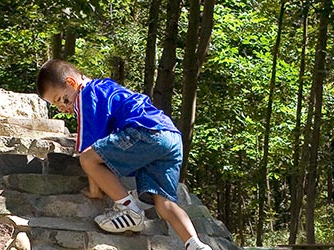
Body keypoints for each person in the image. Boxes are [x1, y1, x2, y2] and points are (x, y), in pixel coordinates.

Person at [36, 59, 212, 250]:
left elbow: (89, 149)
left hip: (145, 132)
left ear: (71, 83)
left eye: (62, 99)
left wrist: (95, 191)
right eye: (56, 105)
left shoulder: (86, 95)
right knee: (165, 204)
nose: (62, 107)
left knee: (87, 159)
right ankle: (196, 244)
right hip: (170, 136)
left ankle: (129, 209)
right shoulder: (105, 86)